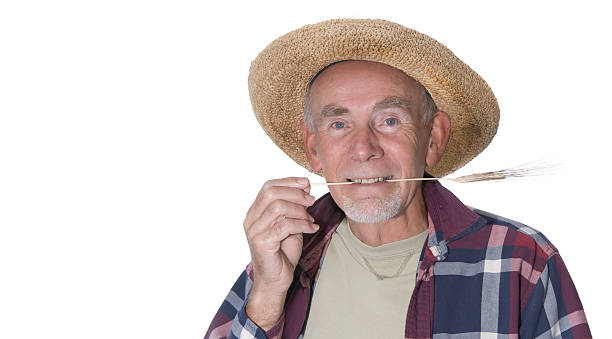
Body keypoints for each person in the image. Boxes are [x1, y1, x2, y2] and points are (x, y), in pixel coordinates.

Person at [204, 19, 591, 339]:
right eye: (338, 124)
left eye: (389, 121)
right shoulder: (278, 263)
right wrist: (268, 295)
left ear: (433, 139)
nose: (363, 148)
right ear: (313, 149)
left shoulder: (522, 260)